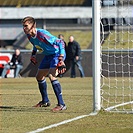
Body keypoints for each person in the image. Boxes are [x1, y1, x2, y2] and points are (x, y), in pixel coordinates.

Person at [21, 16, 67, 112]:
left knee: (51, 75)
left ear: (33, 25)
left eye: (26, 26)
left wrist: (61, 59)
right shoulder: (29, 35)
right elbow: (35, 45)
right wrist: (33, 55)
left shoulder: (42, 34)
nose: (24, 28)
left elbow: (61, 42)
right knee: (39, 76)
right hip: (48, 55)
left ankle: (62, 104)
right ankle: (45, 101)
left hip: (56, 54)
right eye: (23, 26)